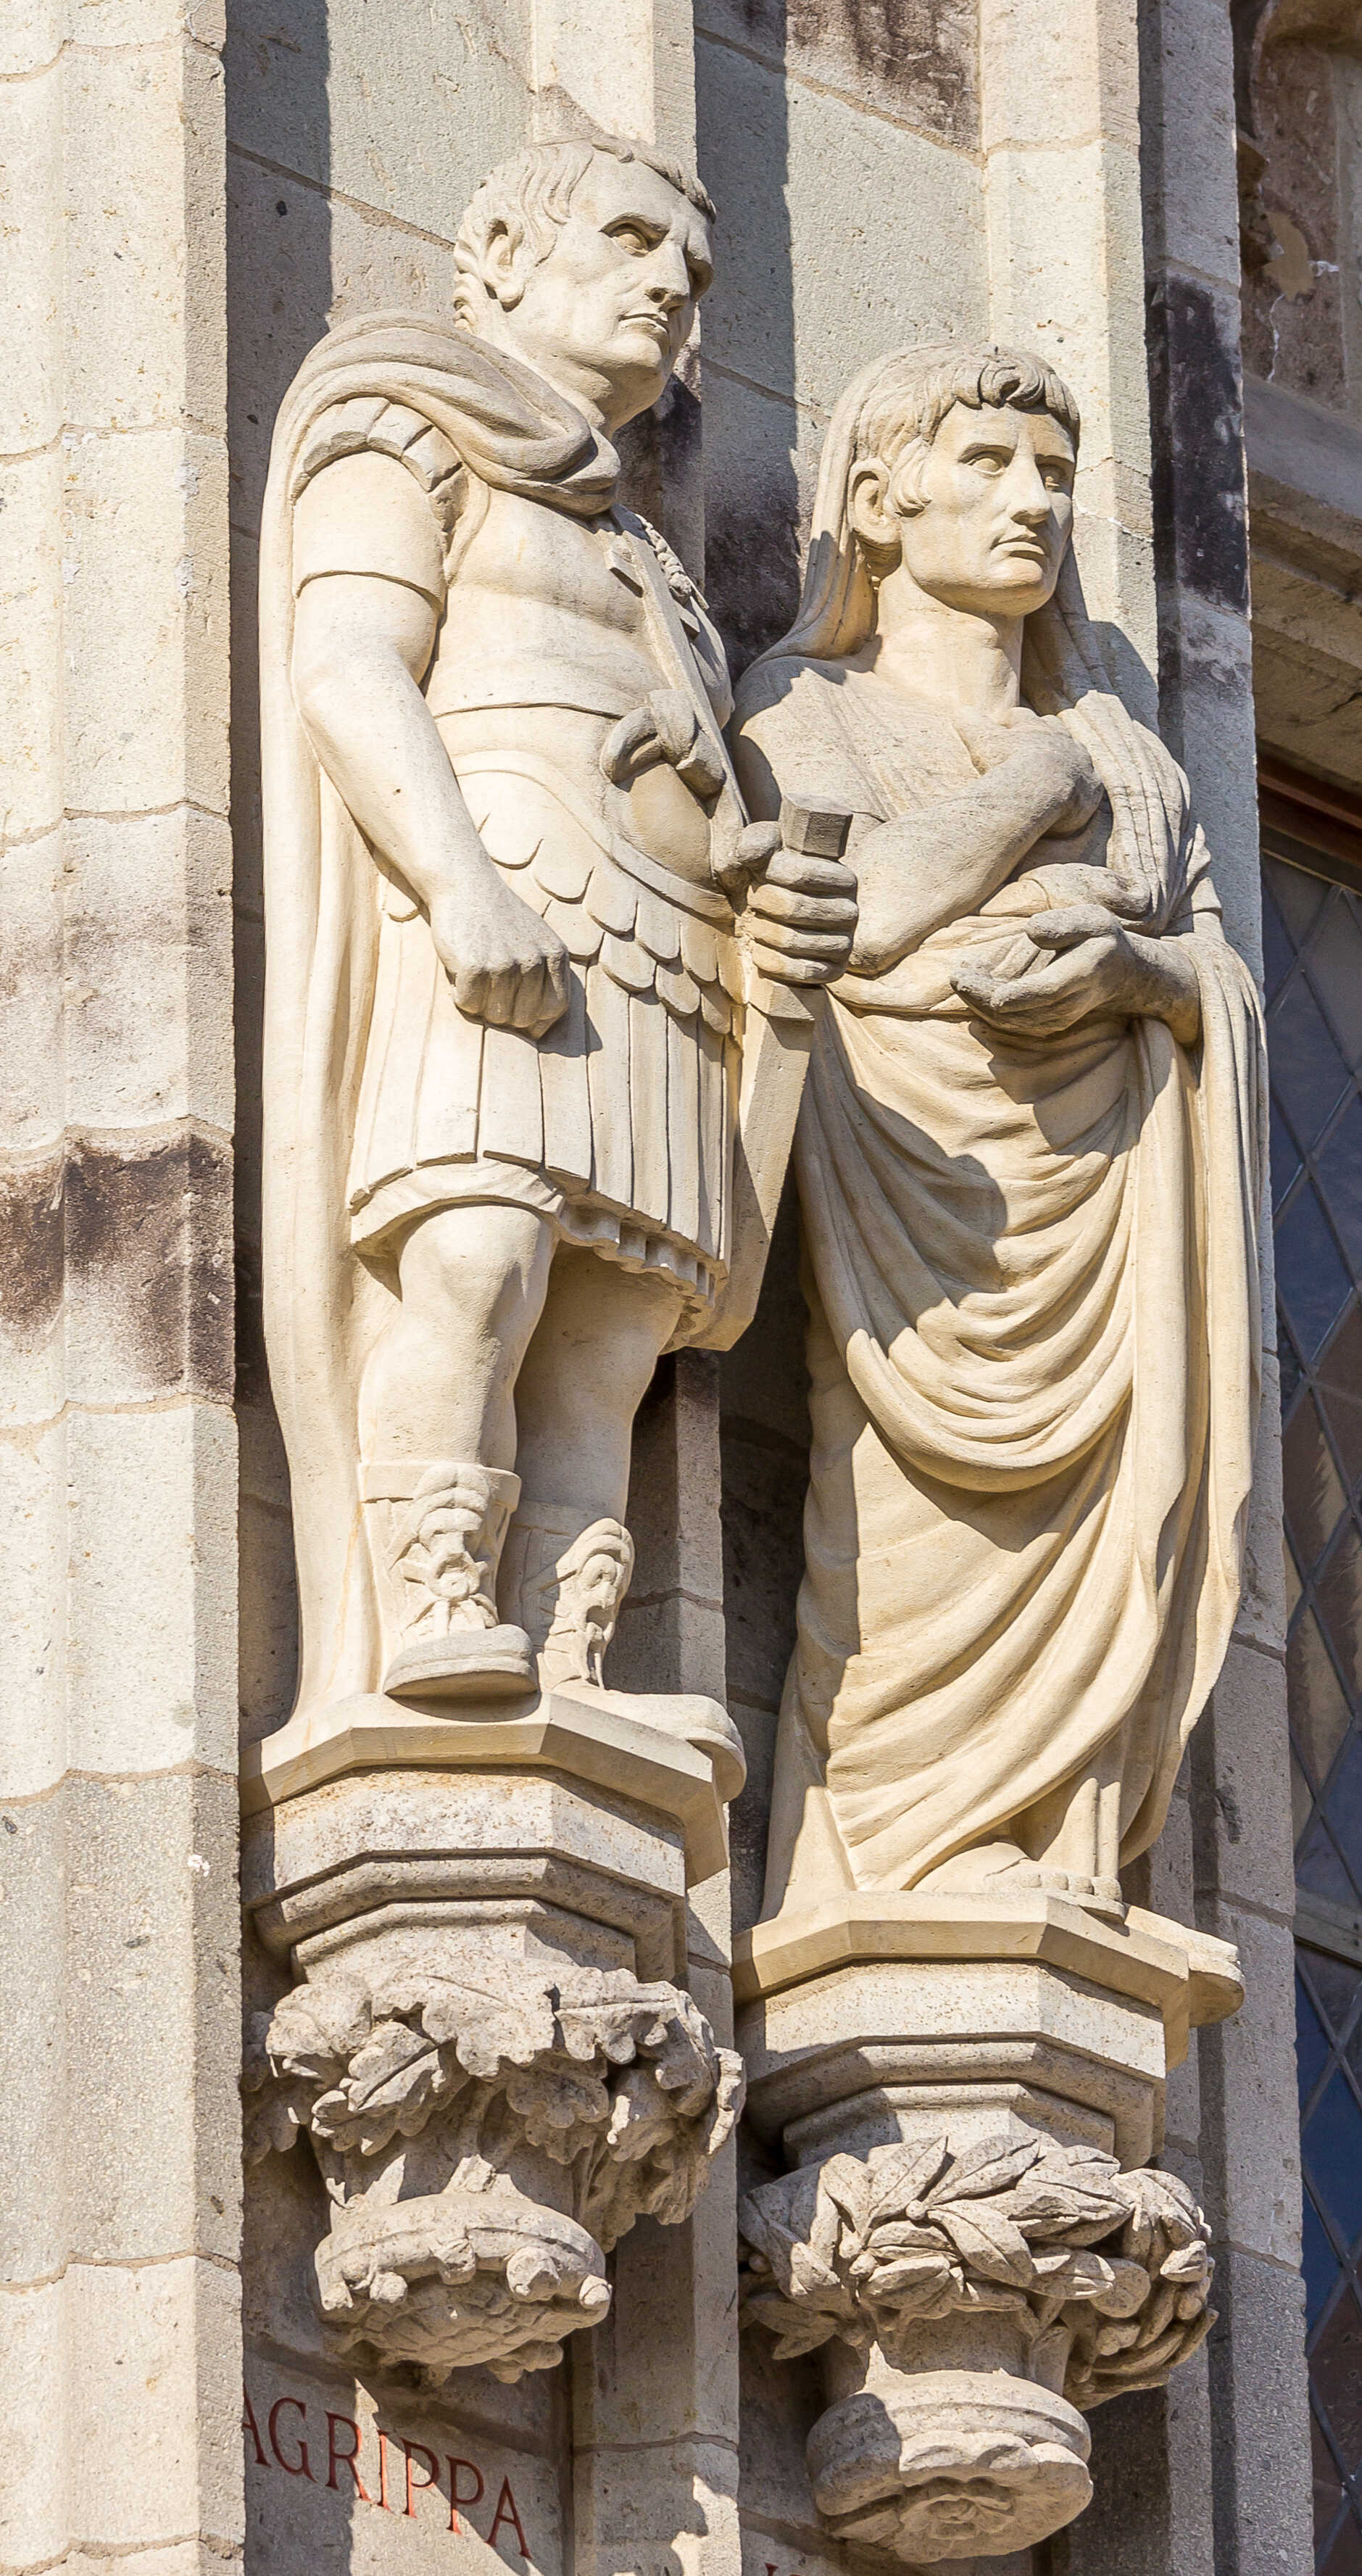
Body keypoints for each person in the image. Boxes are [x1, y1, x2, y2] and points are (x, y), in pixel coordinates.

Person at [258, 129, 855, 1718]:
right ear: (505, 259)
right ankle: (431, 1605)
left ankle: (567, 1657)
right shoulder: (408, 428)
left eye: (697, 270)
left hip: (655, 944)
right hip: (509, 896)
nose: (672, 285)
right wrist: (457, 883)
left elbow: (700, 784)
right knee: (474, 1257)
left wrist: (759, 873)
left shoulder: (646, 551)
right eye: (629, 237)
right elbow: (348, 667)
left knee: (611, 1337)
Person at [731, 341, 1266, 1915]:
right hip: (928, 1252)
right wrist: (1032, 781)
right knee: (893, 1561)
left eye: (1052, 475)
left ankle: (1055, 1843)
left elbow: (1216, 974)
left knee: (1120, 1538)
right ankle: (889, 1875)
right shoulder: (808, 707)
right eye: (987, 465)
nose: (1030, 500)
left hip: (1111, 1253)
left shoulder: (1143, 768)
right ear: (882, 498)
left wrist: (1137, 969)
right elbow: (869, 915)